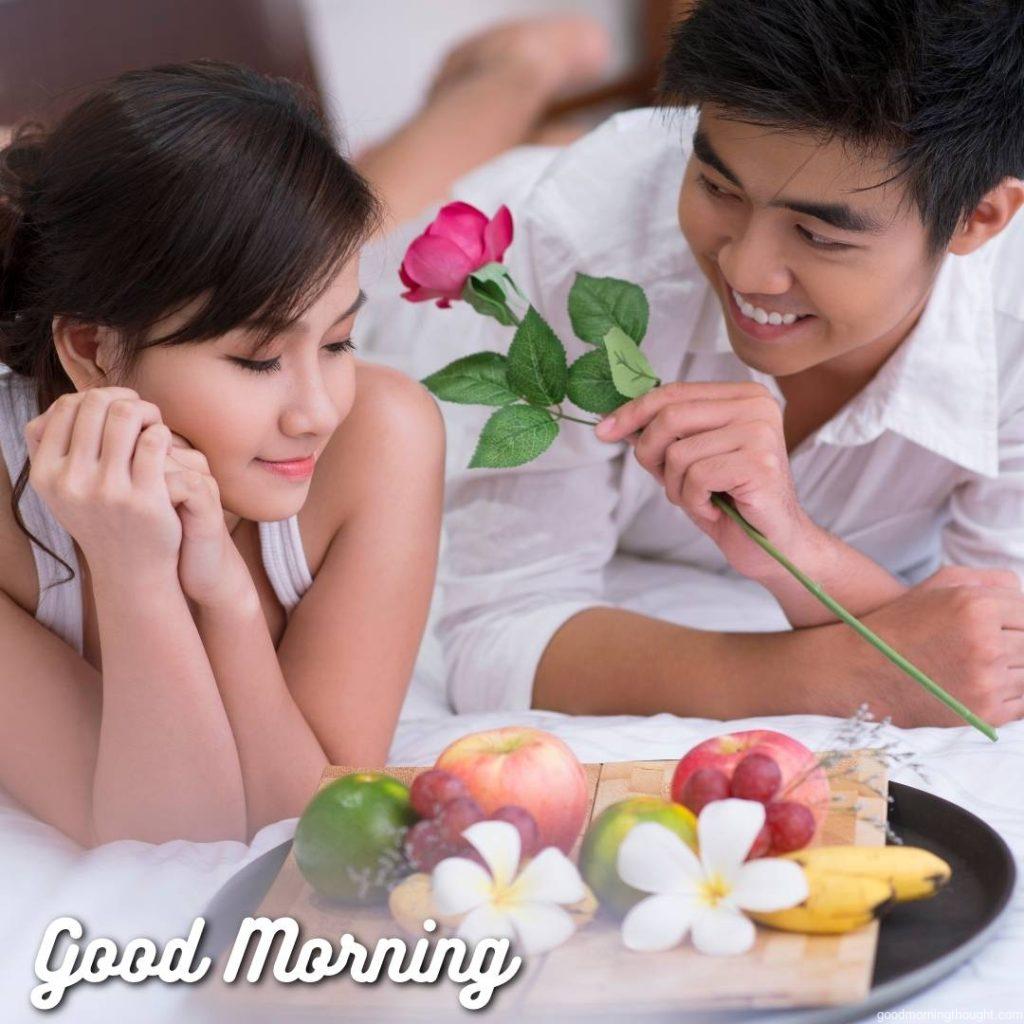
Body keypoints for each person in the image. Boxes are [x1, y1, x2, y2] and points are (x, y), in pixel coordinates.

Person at [412, 0, 1024, 730]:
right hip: (465, 247)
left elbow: (991, 654)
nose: (746, 268)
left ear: (978, 219)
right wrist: (852, 676)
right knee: (356, 224)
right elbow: (496, 633)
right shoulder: (589, 237)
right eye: (716, 187)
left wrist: (794, 549)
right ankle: (509, 72)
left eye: (819, 234)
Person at [0, 60, 450, 848]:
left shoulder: (381, 437)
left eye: (341, 341)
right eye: (257, 360)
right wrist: (137, 572)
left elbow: (312, 816)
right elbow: (172, 840)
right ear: (93, 350)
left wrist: (228, 601)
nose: (317, 413)